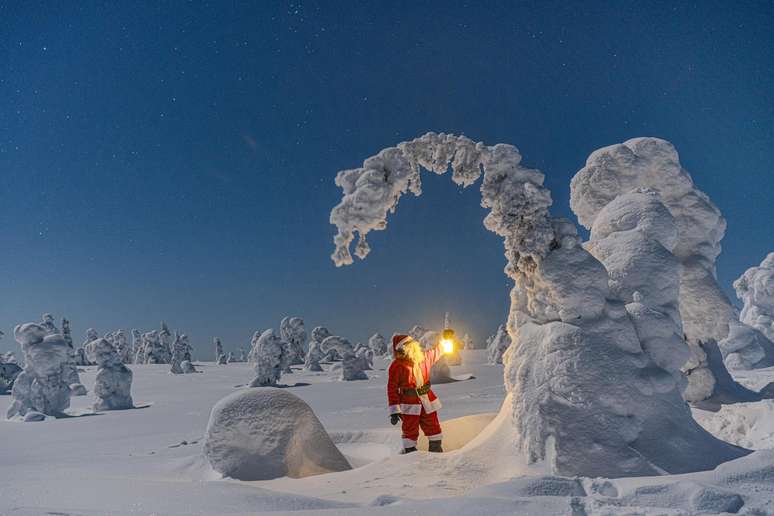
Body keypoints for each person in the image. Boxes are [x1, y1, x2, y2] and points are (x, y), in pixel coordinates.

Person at [387, 333, 447, 453]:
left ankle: (436, 454)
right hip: (409, 404)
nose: (414, 346)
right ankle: (411, 458)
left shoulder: (424, 358)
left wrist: (446, 338)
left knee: (434, 427)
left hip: (427, 401)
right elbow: (392, 388)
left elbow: (438, 350)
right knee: (410, 431)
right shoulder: (397, 366)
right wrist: (394, 410)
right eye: (408, 345)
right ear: (402, 348)